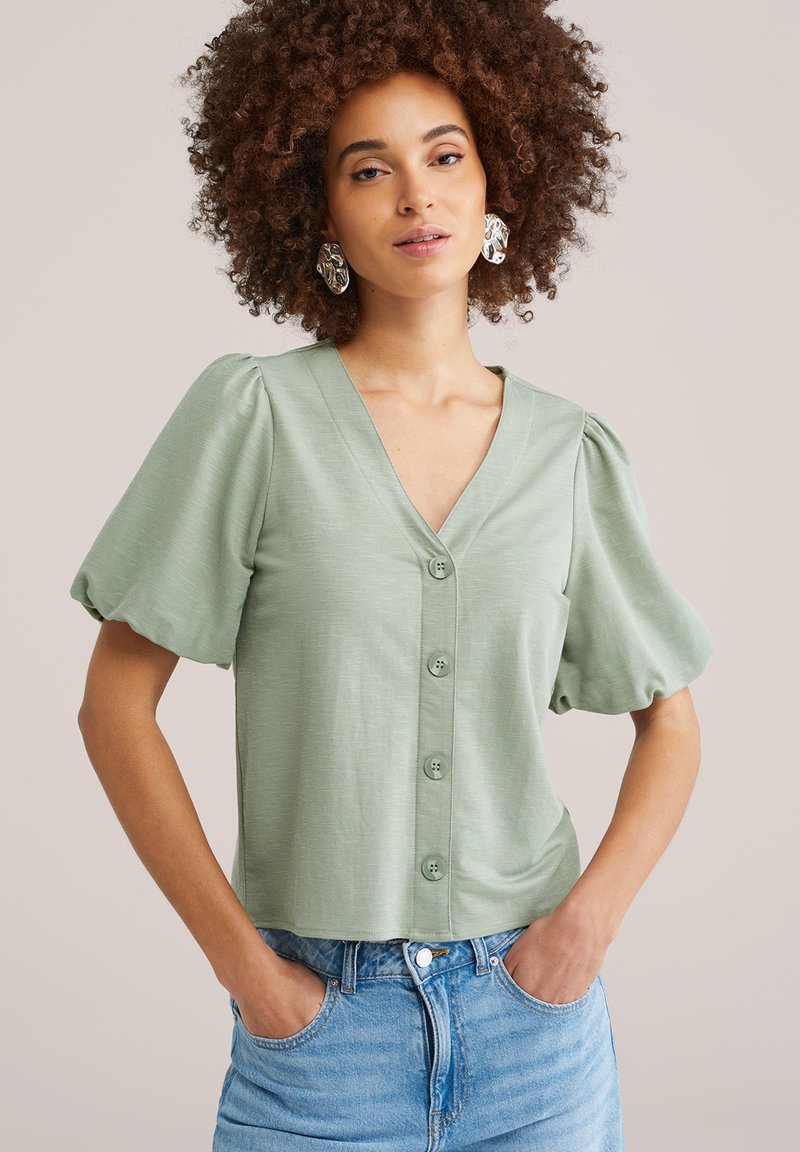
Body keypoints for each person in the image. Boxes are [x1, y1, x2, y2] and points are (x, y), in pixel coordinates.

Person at [69, 2, 714, 1148]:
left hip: (534, 1032)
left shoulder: (567, 452)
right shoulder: (253, 417)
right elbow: (114, 704)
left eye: (445, 157)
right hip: (320, 1039)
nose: (415, 196)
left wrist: (583, 931)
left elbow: (670, 722)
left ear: (499, 180)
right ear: (316, 210)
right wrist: (248, 972)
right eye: (369, 169)